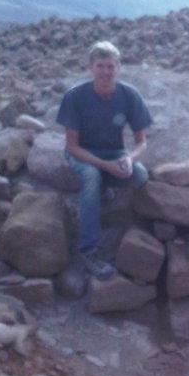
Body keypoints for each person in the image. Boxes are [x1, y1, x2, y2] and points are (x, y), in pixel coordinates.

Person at [57, 40, 152, 279]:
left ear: (118, 68)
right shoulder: (75, 97)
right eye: (100, 66)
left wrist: (129, 159)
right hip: (83, 153)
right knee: (91, 176)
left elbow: (142, 142)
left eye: (111, 66)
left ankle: (103, 187)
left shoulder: (129, 95)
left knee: (140, 174)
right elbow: (72, 146)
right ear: (91, 68)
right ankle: (88, 250)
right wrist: (105, 166)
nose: (106, 72)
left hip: (114, 151)